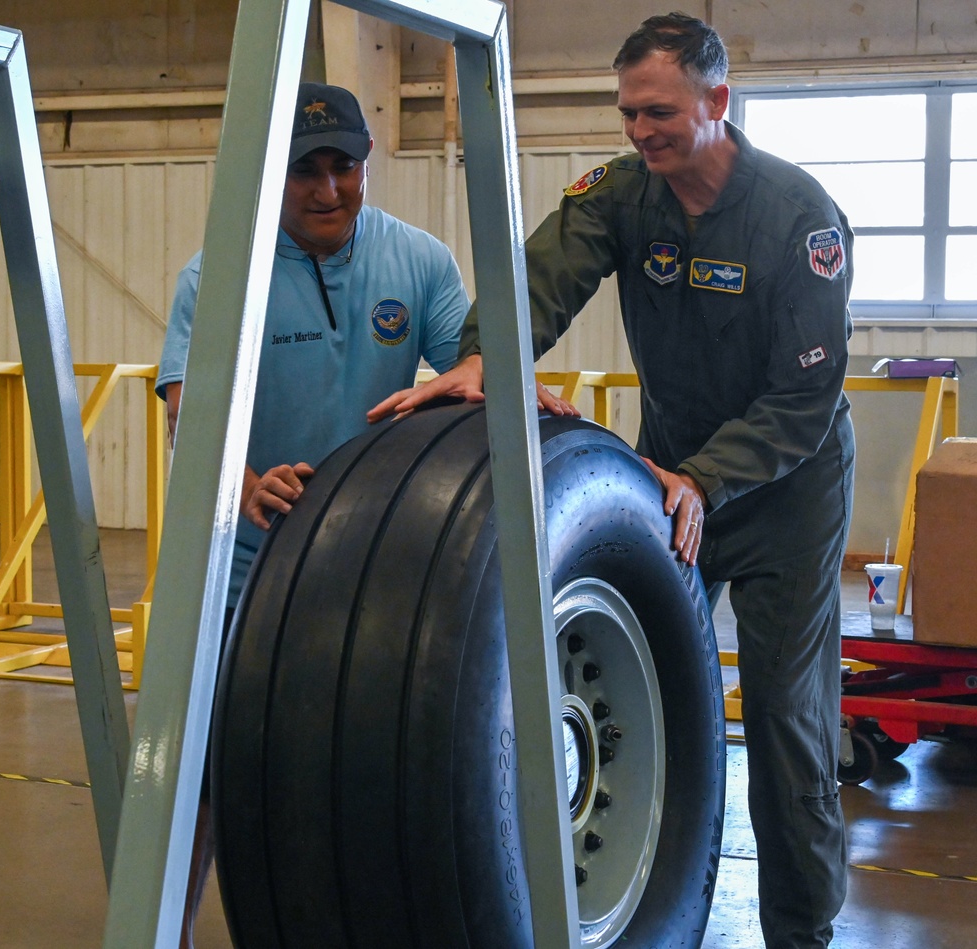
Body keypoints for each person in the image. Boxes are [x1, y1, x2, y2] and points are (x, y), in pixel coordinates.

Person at [369, 13, 855, 949]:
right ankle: (640, 898)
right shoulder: (622, 195)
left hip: (784, 492)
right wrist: (485, 357)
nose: (640, 132)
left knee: (787, 720)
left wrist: (706, 480)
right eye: (628, 112)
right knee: (658, 691)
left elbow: (803, 402)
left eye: (660, 112)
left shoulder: (801, 222)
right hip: (665, 471)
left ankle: (802, 930)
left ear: (718, 101)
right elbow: (539, 280)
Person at [155, 81, 477, 949]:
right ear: (274, 176)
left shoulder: (420, 262)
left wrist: (495, 377)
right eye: (306, 172)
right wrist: (244, 482)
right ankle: (167, 934)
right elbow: (188, 407)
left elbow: (464, 376)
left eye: (345, 166)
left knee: (355, 768)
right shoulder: (220, 273)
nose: (329, 189)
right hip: (241, 562)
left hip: (366, 569)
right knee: (207, 771)